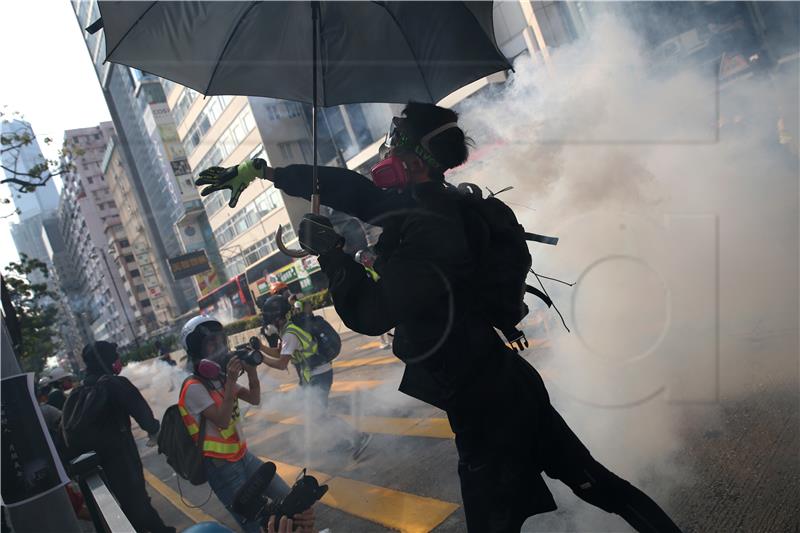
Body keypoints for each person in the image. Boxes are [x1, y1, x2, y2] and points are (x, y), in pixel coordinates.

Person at [196, 102, 683, 532]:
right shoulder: (427, 206)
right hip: (502, 386)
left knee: (553, 498)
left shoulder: (434, 228)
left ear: (410, 159)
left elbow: (372, 312)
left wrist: (334, 256)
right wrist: (265, 171)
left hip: (486, 406)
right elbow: (351, 190)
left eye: (394, 143)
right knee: (596, 483)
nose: (386, 153)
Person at [179, 316, 312, 533]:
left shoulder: (220, 379)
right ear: (196, 351)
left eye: (220, 341)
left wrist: (251, 371)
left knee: (287, 497)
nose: (219, 348)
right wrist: (231, 380)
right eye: (211, 343)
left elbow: (254, 398)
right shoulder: (193, 387)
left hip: (243, 455)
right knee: (253, 522)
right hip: (222, 467)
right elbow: (222, 420)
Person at [257, 295, 372, 460]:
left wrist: (260, 359)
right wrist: (260, 348)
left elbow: (282, 363)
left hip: (319, 374)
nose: (267, 323)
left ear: (277, 318)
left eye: (268, 319)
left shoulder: (289, 334)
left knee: (319, 414)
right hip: (313, 375)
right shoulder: (287, 330)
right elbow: (278, 352)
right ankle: (342, 441)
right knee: (315, 413)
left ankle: (359, 436)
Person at [80, 341, 175, 533]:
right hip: (121, 457)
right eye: (114, 356)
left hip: (95, 465)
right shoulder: (113, 383)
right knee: (136, 503)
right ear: (105, 359)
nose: (118, 360)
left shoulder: (82, 388)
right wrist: (156, 432)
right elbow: (143, 413)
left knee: (132, 502)